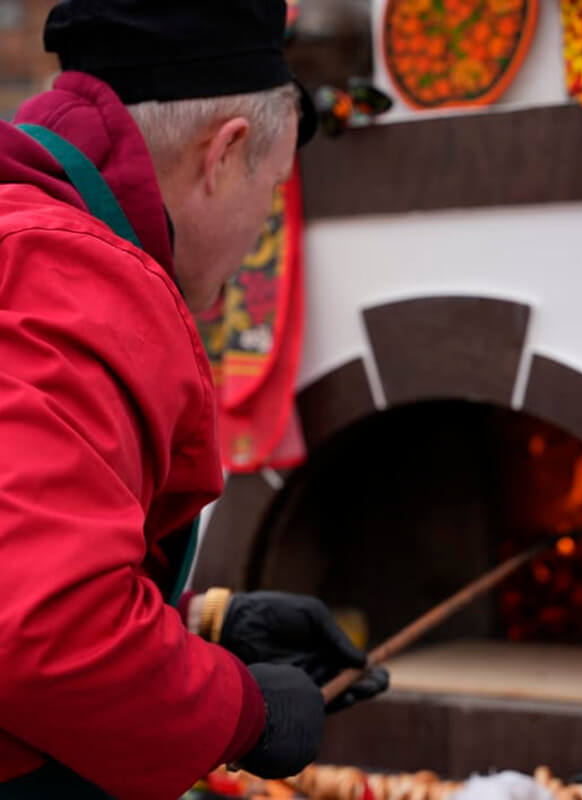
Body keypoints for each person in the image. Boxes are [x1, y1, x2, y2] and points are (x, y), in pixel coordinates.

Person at [0, 1, 388, 798]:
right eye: (272, 190)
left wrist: (203, 624)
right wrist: (241, 713)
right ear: (224, 153)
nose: (259, 230)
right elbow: (45, 631)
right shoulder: (67, 274)